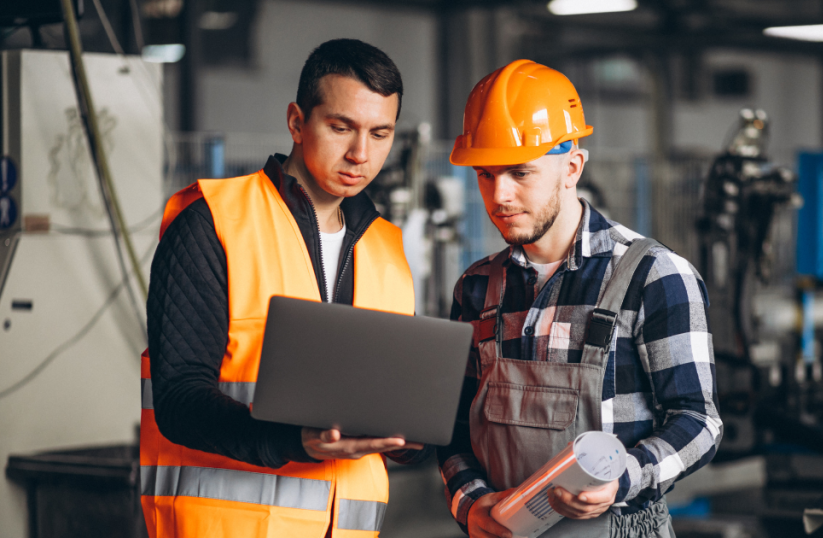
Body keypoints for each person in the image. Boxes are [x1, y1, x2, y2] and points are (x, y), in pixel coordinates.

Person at [141, 39, 426, 538]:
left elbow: (384, 398)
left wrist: (409, 435)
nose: (361, 153)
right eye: (341, 128)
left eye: (380, 133)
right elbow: (180, 399)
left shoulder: (386, 248)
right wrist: (295, 440)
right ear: (297, 122)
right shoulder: (213, 222)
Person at [438, 60, 722, 538]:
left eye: (519, 173)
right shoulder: (477, 286)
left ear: (572, 167)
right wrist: (472, 503)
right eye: (485, 175)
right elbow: (454, 427)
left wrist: (623, 478)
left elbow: (699, 421)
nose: (498, 195)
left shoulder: (653, 276)